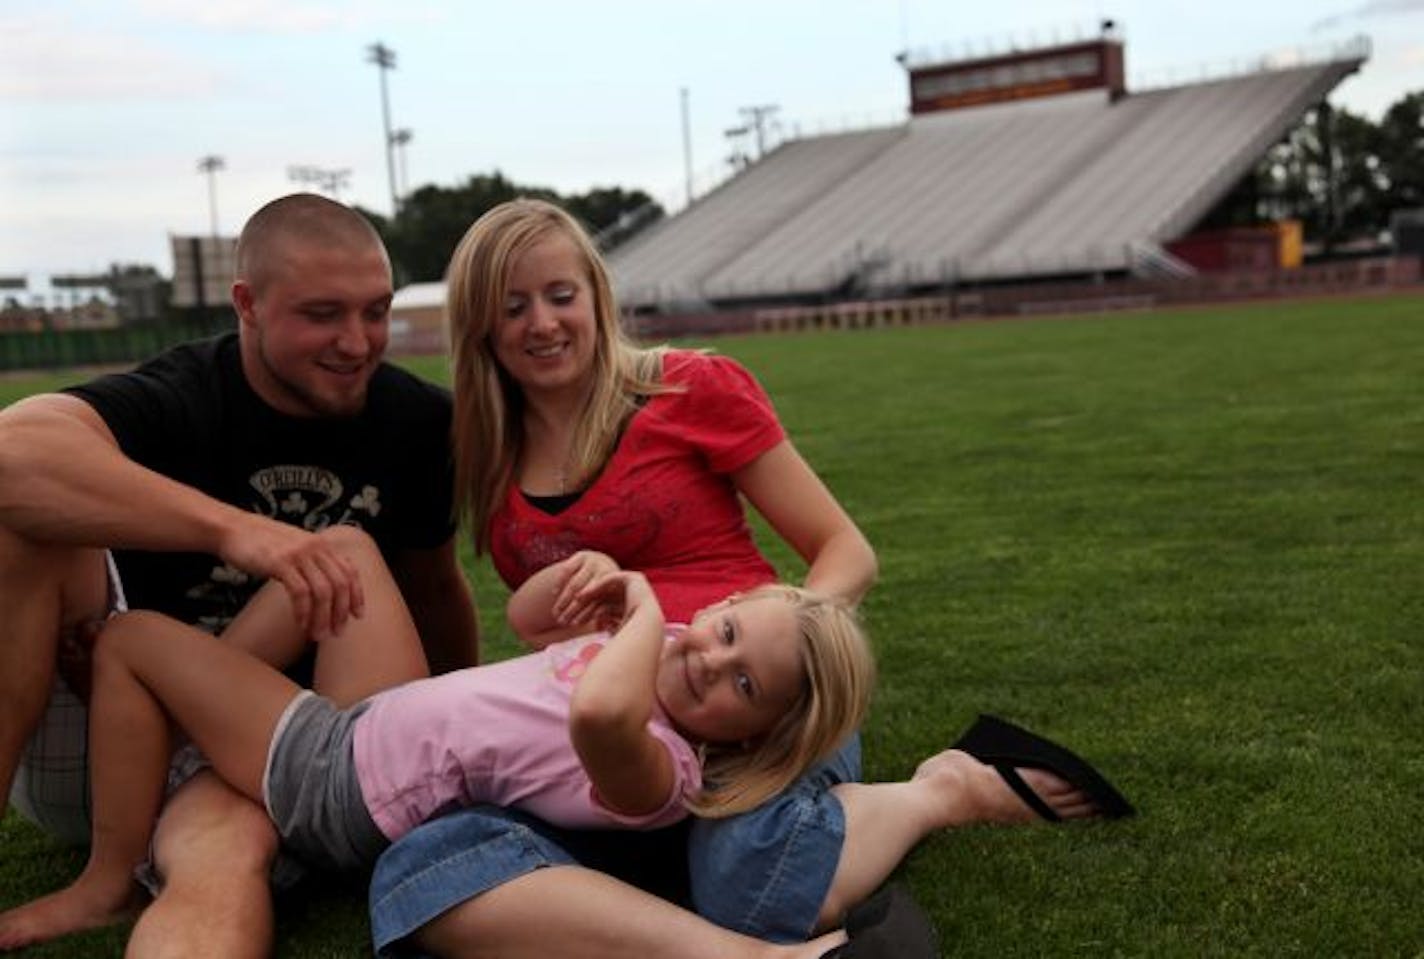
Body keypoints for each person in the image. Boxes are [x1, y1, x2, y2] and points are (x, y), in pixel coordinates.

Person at [369, 198, 1112, 958]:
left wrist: (769, 661)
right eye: (513, 306)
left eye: (561, 295)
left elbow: (844, 550)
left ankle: (940, 790)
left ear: (597, 294)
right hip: (623, 745)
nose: (543, 323)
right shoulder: (489, 457)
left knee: (749, 881)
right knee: (424, 865)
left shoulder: (688, 387)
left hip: (753, 708)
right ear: (482, 327)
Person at [0, 530, 875, 951]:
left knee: (129, 639)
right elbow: (529, 619)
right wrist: (583, 585)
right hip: (384, 717)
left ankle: (107, 879)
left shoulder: (665, 768)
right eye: (726, 635)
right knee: (343, 550)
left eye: (745, 687)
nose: (712, 665)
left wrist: (645, 612)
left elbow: (597, 715)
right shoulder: (647, 655)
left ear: (756, 738)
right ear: (718, 610)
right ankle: (200, 715)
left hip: (341, 782)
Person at [0, 193, 479, 958]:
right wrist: (243, 532)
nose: (358, 342)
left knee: (222, 848)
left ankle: (128, 874)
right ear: (247, 305)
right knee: (23, 525)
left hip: (280, 749)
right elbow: (9, 454)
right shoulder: (183, 395)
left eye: (376, 311)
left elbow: (434, 589)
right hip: (111, 747)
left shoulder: (418, 421)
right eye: (323, 314)